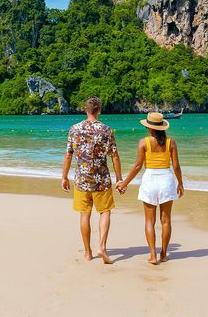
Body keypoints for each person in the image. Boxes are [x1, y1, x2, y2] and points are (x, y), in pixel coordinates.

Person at [116, 112, 184, 265]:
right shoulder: (171, 142)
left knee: (149, 221)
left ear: (149, 128)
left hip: (150, 180)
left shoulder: (143, 143)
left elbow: (138, 166)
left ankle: (152, 255)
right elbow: (176, 166)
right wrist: (180, 183)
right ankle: (164, 254)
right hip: (167, 179)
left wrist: (124, 183)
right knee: (166, 221)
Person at [62, 96, 123, 264]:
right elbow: (115, 156)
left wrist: (64, 176)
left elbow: (68, 154)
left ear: (85, 109)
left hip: (81, 179)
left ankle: (88, 253)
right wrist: (119, 179)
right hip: (101, 179)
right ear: (100, 110)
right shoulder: (106, 130)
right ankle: (102, 247)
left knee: (85, 215)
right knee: (105, 212)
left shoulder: (74, 129)